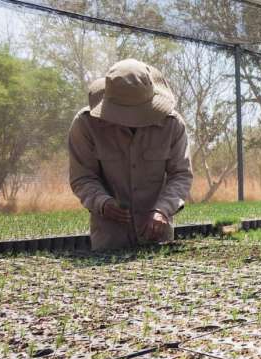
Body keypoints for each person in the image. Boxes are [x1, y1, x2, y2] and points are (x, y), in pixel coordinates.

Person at [69, 59, 193, 251]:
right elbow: (83, 177)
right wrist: (103, 202)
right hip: (110, 237)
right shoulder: (86, 124)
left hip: (157, 235)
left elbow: (181, 175)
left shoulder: (172, 125)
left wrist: (163, 210)